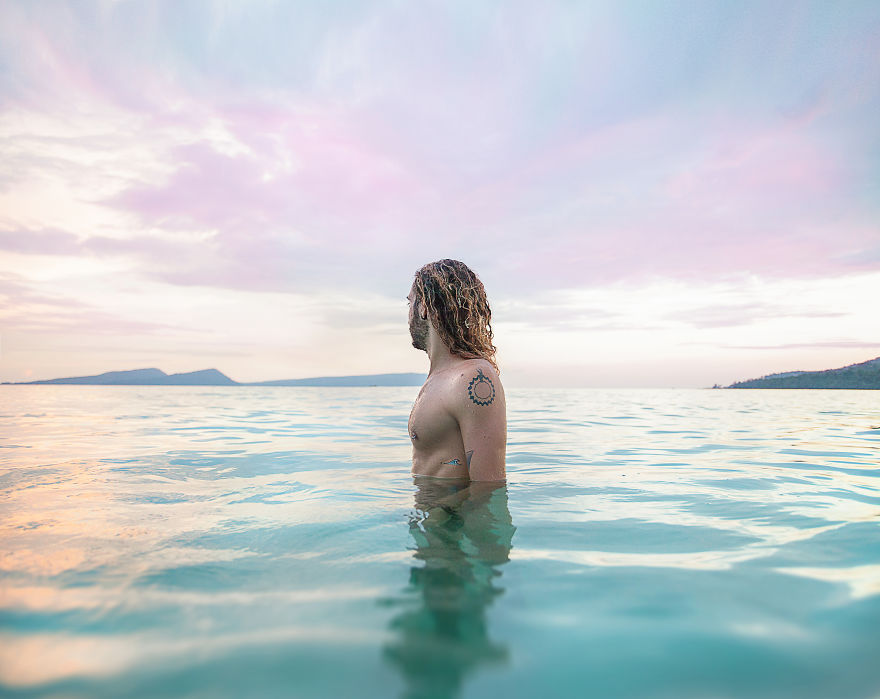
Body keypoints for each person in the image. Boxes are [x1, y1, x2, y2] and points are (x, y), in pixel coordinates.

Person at [407, 259, 506, 481]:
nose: (408, 316)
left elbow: (488, 488)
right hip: (430, 513)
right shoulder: (439, 379)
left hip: (451, 516)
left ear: (423, 307)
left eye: (410, 303)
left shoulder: (472, 378)